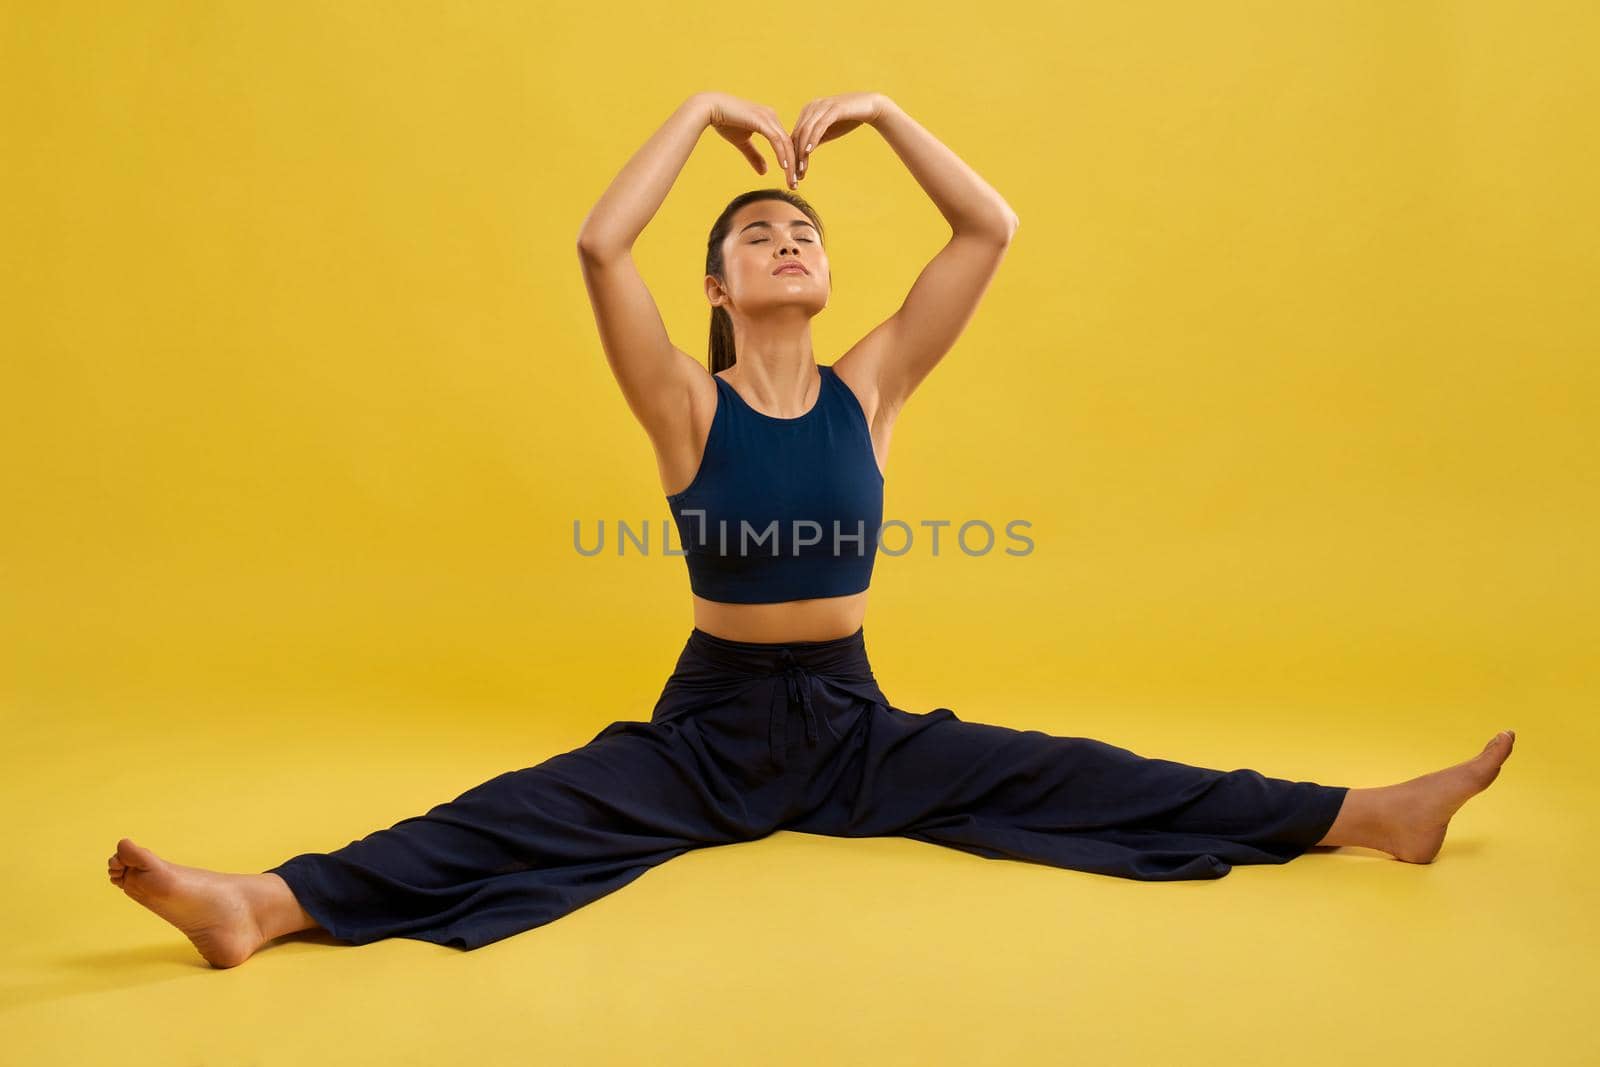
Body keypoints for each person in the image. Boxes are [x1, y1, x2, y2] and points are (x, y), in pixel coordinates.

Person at [108, 91, 1516, 968]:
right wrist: (707, 104)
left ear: (827, 279)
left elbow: (988, 231)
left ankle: (1367, 818)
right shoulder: (680, 403)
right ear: (717, 287)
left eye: (805, 231)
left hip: (853, 724)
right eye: (758, 233)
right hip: (707, 729)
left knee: (1079, 774)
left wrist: (890, 116)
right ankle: (268, 907)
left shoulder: (874, 384)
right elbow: (601, 248)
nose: (789, 239)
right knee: (508, 814)